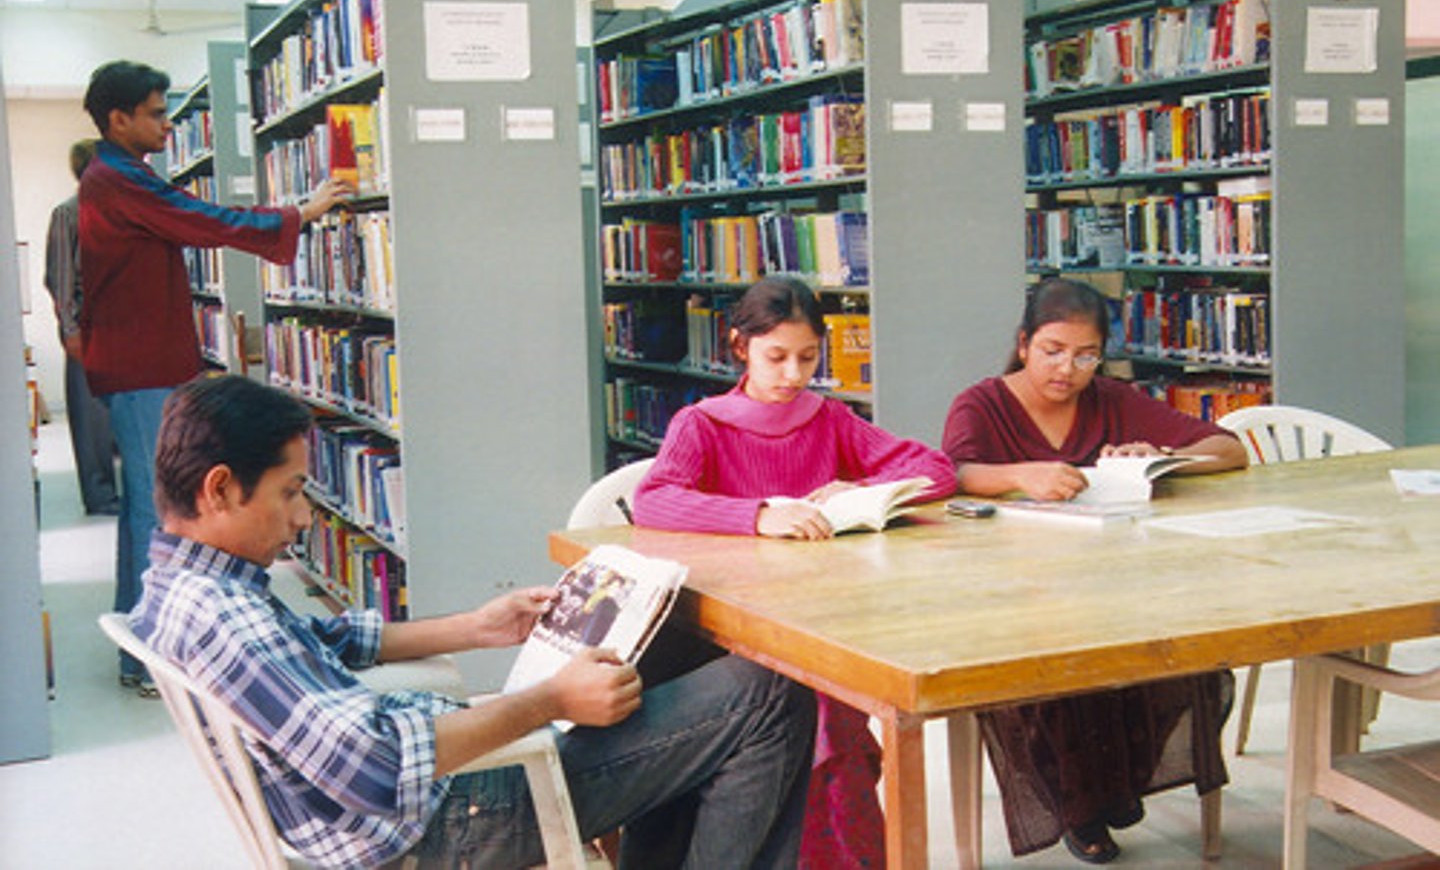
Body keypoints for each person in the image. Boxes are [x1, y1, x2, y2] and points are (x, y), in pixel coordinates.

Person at [132, 374, 814, 868]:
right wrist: (548, 699)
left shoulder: (186, 586)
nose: (305, 516)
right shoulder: (221, 617)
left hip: (418, 800)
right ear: (218, 487)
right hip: (439, 825)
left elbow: (327, 641)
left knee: (663, 661)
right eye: (289, 493)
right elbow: (377, 765)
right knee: (771, 696)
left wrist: (480, 627)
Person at [632, 274, 959, 869]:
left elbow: (934, 467)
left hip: (823, 617)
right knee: (807, 731)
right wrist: (757, 514)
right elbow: (655, 498)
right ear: (739, 347)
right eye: (775, 357)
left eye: (807, 358)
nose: (792, 375)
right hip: (736, 626)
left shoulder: (827, 418)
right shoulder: (703, 423)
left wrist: (859, 486)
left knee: (840, 732)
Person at [941, 277, 1248, 864]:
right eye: (1053, 350)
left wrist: (1163, 459)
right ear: (1024, 343)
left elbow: (1230, 448)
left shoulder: (1112, 398)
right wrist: (1020, 475)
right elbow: (951, 471)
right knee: (1061, 668)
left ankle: (1107, 787)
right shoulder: (982, 402)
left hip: (1114, 581)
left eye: (1086, 355)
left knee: (1189, 664)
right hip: (1013, 588)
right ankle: (1082, 805)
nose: (1068, 369)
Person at [78, 59, 350, 693]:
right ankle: (148, 657)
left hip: (142, 362)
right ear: (118, 119)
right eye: (154, 113)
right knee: (156, 508)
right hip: (143, 364)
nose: (166, 124)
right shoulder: (118, 180)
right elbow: (202, 220)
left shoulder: (118, 175)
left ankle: (141, 649)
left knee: (147, 506)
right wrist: (298, 216)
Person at [43, 138, 119, 515]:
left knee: (120, 412)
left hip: (122, 323)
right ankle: (100, 495)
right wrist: (70, 330)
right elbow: (59, 280)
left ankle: (123, 488)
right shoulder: (67, 213)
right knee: (90, 419)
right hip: (86, 326)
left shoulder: (119, 211)